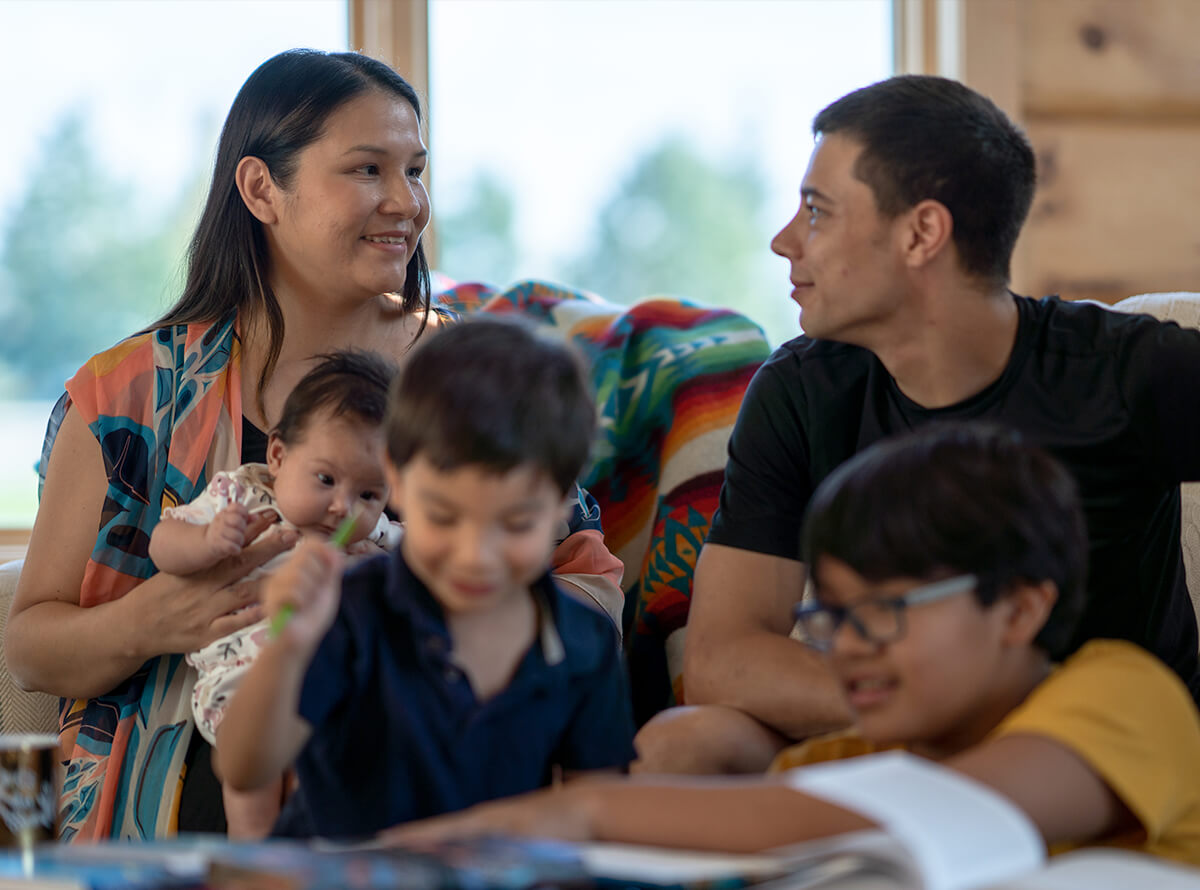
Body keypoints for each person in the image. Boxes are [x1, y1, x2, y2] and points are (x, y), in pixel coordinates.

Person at [4, 48, 622, 841]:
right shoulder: (127, 395)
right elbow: (29, 649)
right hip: (168, 803)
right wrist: (157, 618)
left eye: (416, 169)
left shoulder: (469, 377)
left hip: (431, 792)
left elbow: (591, 598)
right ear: (262, 189)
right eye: (368, 169)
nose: (406, 201)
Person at [634, 73, 1200, 775]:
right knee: (681, 746)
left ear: (922, 232)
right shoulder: (799, 391)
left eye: (817, 210)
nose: (784, 241)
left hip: (1098, 753)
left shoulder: (1127, 370)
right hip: (895, 731)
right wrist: (941, 722)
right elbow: (725, 658)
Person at [383, 424, 1200, 867]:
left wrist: (582, 809)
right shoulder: (846, 759)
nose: (846, 651)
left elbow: (959, 808)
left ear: (1019, 609)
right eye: (830, 619)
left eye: (881, 614)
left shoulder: (1124, 694)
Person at [216, 316, 637, 840]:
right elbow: (244, 768)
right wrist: (288, 649)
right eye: (443, 516)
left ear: (562, 507)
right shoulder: (351, 610)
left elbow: (595, 809)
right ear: (396, 478)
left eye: (515, 523)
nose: (475, 556)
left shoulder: (583, 642)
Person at [149, 350, 400, 839]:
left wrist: (383, 570)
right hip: (244, 677)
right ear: (279, 457)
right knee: (251, 781)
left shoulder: (373, 538)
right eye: (326, 479)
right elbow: (163, 542)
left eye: (370, 495)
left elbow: (422, 567)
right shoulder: (241, 497)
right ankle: (254, 857)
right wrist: (206, 542)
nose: (342, 506)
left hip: (332, 679)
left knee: (332, 764)